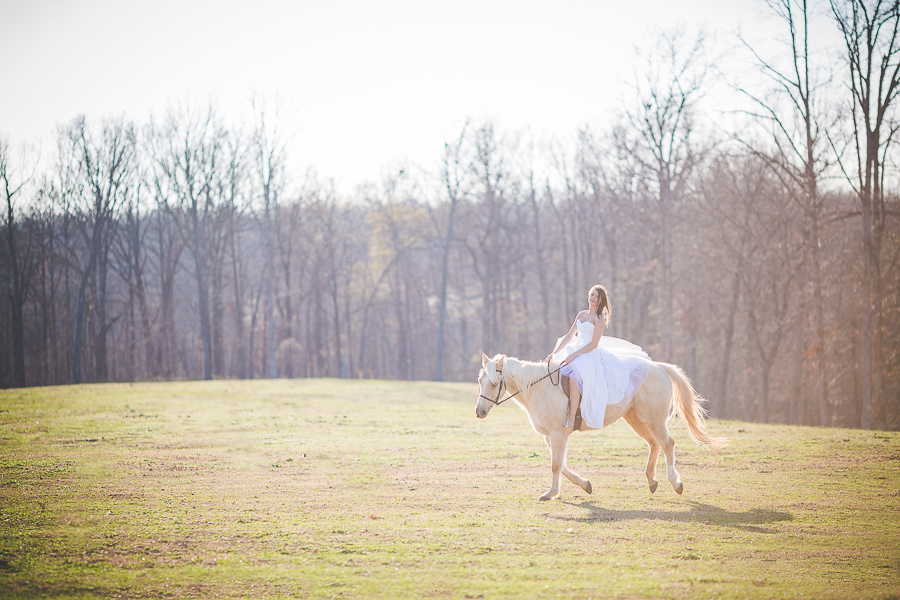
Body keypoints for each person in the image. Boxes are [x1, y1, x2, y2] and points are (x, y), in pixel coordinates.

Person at [547, 285, 651, 429]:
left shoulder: (599, 319)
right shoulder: (581, 315)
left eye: (596, 296)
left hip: (589, 354)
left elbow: (594, 344)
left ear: (601, 300)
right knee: (556, 372)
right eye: (592, 295)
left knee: (574, 379)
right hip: (576, 349)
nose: (593, 298)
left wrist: (574, 355)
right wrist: (555, 352)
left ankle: (571, 419)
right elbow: (570, 336)